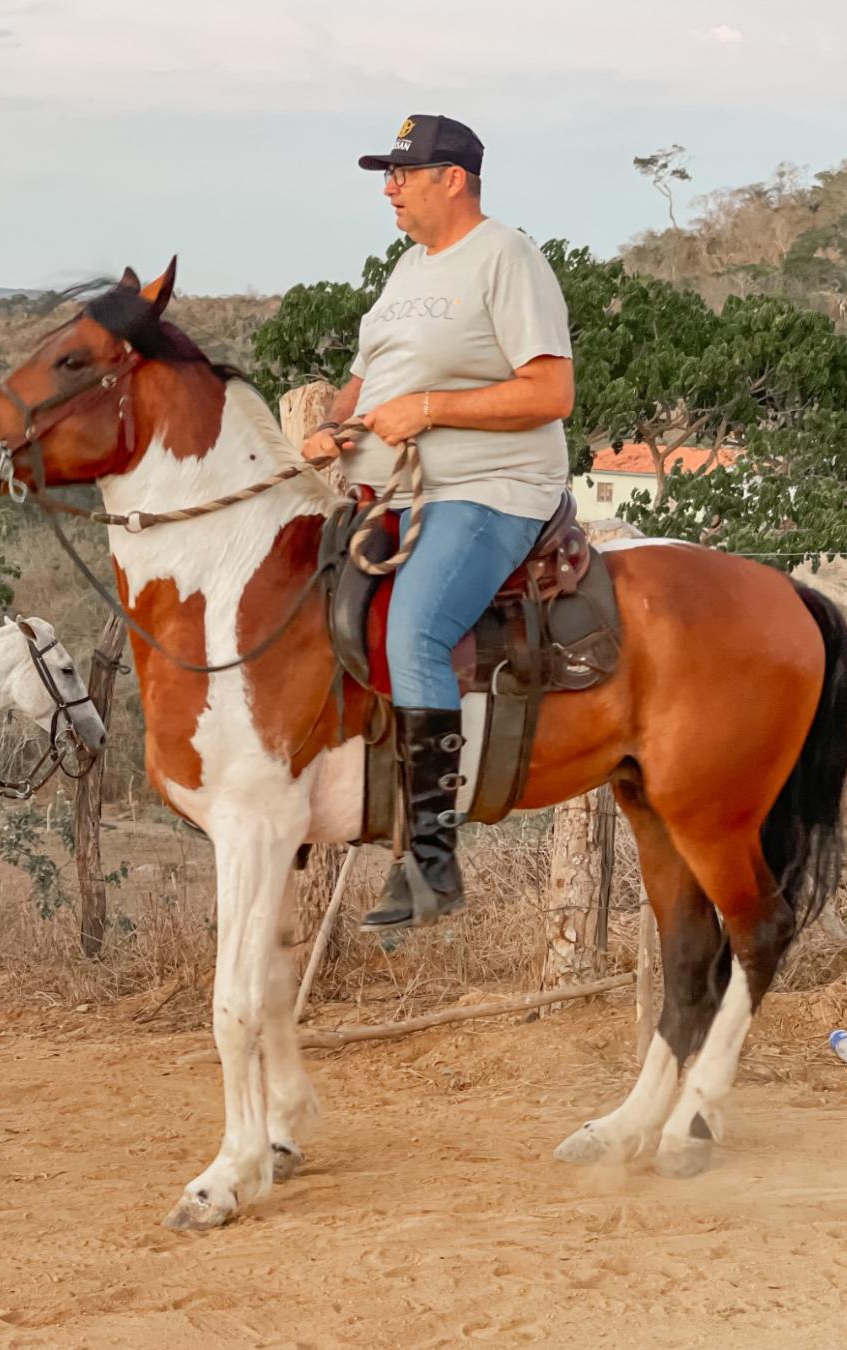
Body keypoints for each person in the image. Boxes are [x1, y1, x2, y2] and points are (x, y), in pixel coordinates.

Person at [302, 113, 575, 930]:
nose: (389, 187)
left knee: (415, 631)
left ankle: (431, 860)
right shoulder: (407, 268)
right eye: (387, 174)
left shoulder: (507, 258)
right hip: (385, 494)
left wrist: (429, 409)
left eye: (402, 173)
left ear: (451, 179)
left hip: (488, 488)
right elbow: (365, 379)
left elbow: (550, 393)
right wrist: (333, 422)